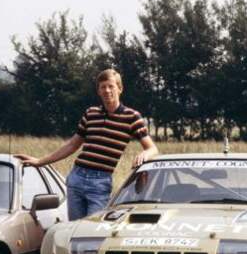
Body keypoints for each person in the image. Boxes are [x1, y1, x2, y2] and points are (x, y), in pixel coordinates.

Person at [17, 69, 159, 221]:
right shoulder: (90, 113)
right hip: (77, 177)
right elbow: (72, 145)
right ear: (98, 91)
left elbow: (152, 148)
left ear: (120, 88)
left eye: (111, 86)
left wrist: (145, 154)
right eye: (102, 87)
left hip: (100, 182)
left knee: (93, 230)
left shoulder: (132, 117)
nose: (107, 90)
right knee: (75, 229)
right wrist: (40, 162)